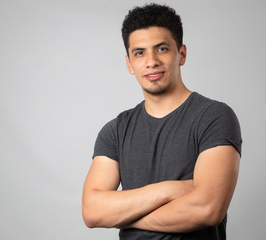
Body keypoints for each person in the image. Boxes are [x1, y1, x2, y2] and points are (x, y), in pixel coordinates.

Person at [82, 3, 242, 240]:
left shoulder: (213, 117)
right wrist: (170, 190)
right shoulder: (115, 131)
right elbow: (92, 211)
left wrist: (126, 218)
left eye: (162, 49)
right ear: (129, 63)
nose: (151, 61)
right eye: (139, 52)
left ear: (182, 54)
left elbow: (207, 209)